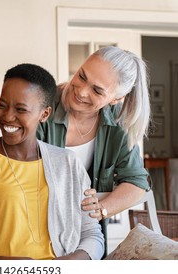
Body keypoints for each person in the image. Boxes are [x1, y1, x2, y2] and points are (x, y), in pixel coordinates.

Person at [0, 63, 104, 260]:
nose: (8, 116)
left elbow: (92, 235)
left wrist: (67, 265)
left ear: (44, 114)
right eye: (2, 105)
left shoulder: (68, 163)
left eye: (21, 109)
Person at [36, 46, 151, 254]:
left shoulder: (118, 125)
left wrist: (101, 209)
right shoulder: (43, 102)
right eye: (81, 76)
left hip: (87, 235)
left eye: (97, 90)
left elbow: (136, 182)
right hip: (36, 227)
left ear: (115, 99)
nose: (80, 91)